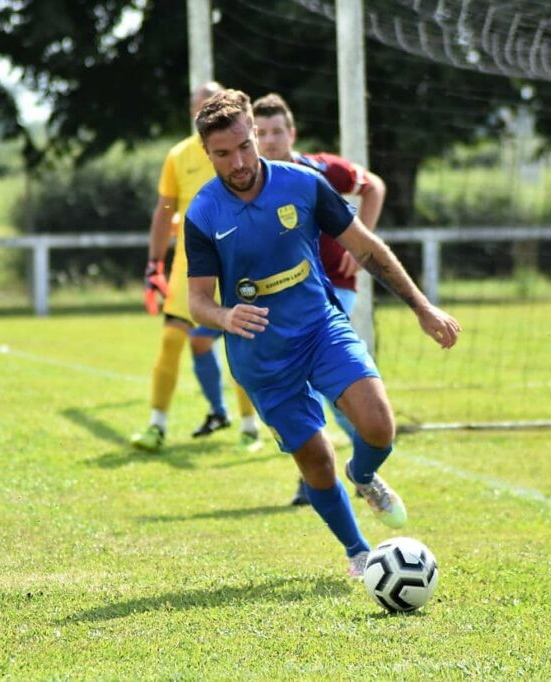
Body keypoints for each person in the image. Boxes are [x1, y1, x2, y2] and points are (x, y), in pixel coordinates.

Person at [185, 90, 460, 577]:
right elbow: (198, 300)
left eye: (245, 146)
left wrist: (421, 307)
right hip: (261, 356)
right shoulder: (203, 215)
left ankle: (365, 473)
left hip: (319, 328)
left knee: (378, 427)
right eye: (223, 154)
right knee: (315, 462)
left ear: (254, 132)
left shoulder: (303, 185)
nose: (239, 161)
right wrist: (225, 317)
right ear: (206, 153)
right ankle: (359, 552)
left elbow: (367, 247)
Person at [251, 92, 388, 506]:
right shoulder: (249, 187)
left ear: (292, 133)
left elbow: (374, 187)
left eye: (277, 131)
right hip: (283, 299)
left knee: (326, 377)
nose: (271, 140)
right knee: (298, 384)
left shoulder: (321, 169)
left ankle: (360, 462)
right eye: (261, 133)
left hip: (335, 289)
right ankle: (323, 468)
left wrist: (359, 247)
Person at [130, 81, 262, 453]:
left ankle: (250, 427)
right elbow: (165, 209)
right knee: (174, 338)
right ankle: (157, 425)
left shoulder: (242, 151)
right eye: (203, 105)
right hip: (188, 263)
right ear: (194, 113)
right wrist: (155, 263)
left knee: (239, 342)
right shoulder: (179, 156)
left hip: (236, 262)